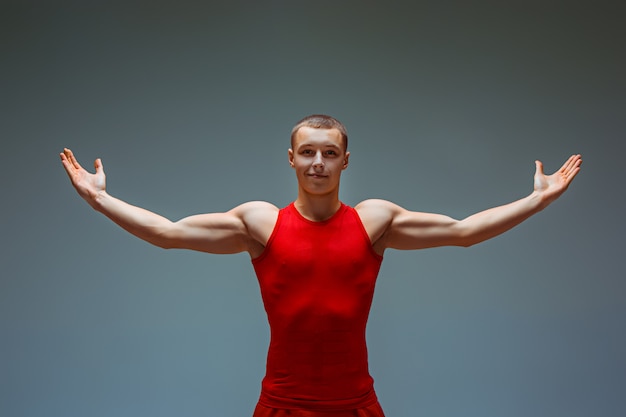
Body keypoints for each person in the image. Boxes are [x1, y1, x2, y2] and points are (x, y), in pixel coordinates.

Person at [60, 114, 582, 417]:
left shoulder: (375, 221)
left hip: (356, 403)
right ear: (290, 158)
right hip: (283, 404)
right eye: (306, 152)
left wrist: (537, 200)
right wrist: (100, 200)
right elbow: (169, 234)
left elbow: (464, 231)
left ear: (345, 161)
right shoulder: (260, 223)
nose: (317, 163)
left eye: (329, 153)